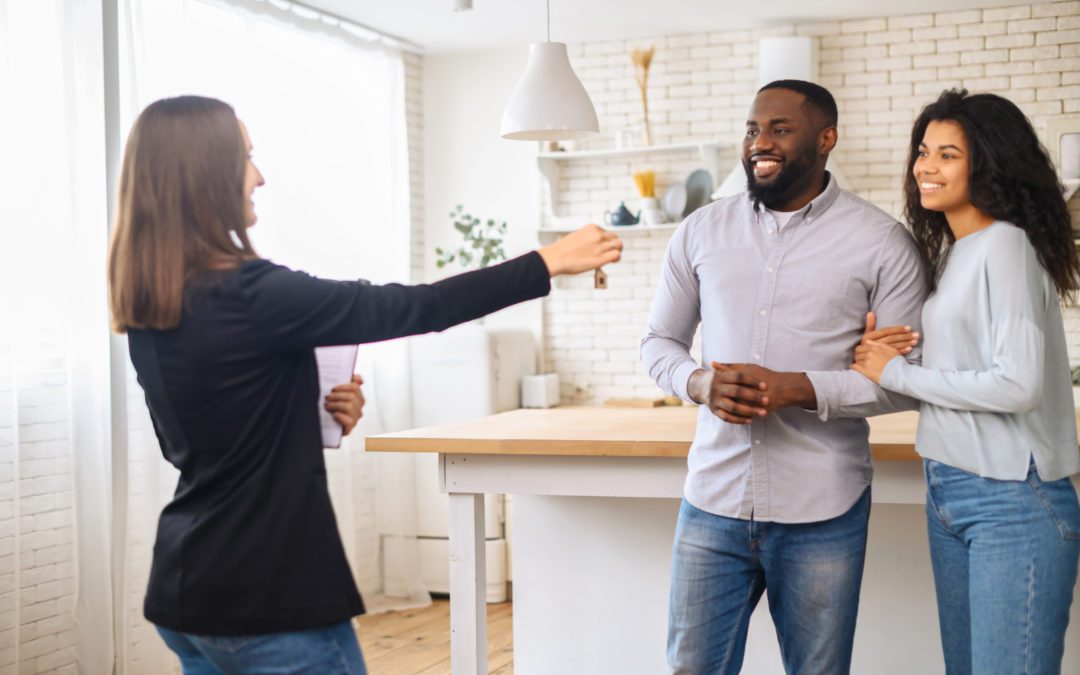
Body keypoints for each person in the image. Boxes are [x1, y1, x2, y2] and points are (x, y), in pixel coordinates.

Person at [107, 95, 622, 674]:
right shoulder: (252, 293)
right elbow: (414, 308)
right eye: (246, 157)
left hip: (186, 594)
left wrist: (314, 415)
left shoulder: (150, 305)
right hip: (267, 597)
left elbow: (209, 437)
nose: (260, 176)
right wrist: (547, 261)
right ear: (204, 174)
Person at [641, 79, 926, 674]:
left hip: (823, 507)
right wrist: (699, 384)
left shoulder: (883, 243)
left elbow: (903, 380)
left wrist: (796, 388)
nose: (759, 142)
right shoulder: (699, 231)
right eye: (751, 128)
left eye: (779, 128)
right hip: (712, 501)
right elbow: (658, 344)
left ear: (826, 139)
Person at [852, 89, 1080, 675]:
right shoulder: (958, 253)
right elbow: (962, 365)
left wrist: (899, 371)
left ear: (989, 163)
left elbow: (1017, 385)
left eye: (948, 155)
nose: (926, 167)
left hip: (1011, 498)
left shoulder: (1004, 244)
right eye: (924, 152)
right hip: (951, 490)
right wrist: (890, 351)